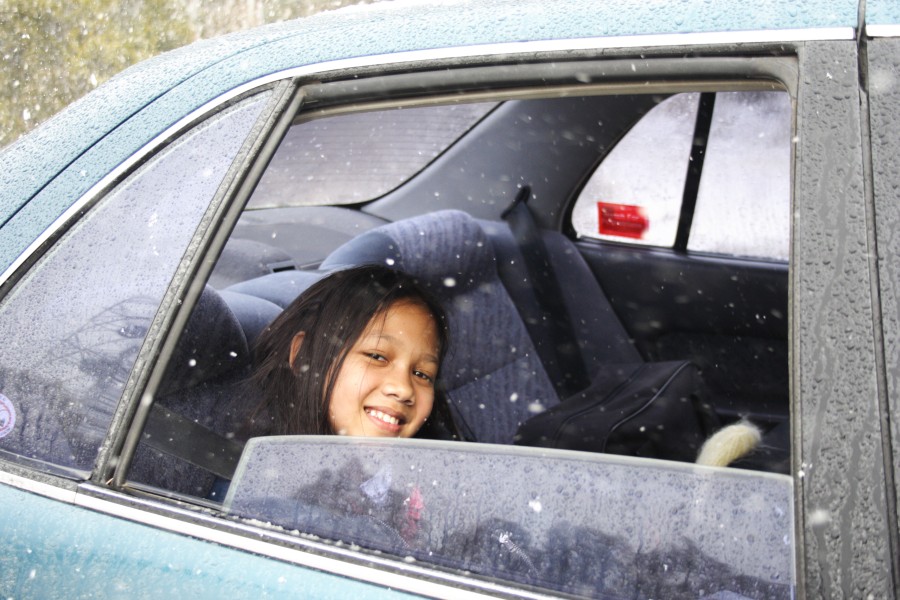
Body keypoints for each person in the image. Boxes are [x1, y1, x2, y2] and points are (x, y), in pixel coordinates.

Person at [250, 264, 459, 440]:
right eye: (377, 357)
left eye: (422, 374)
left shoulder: (425, 472)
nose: (404, 389)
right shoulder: (256, 474)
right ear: (304, 355)